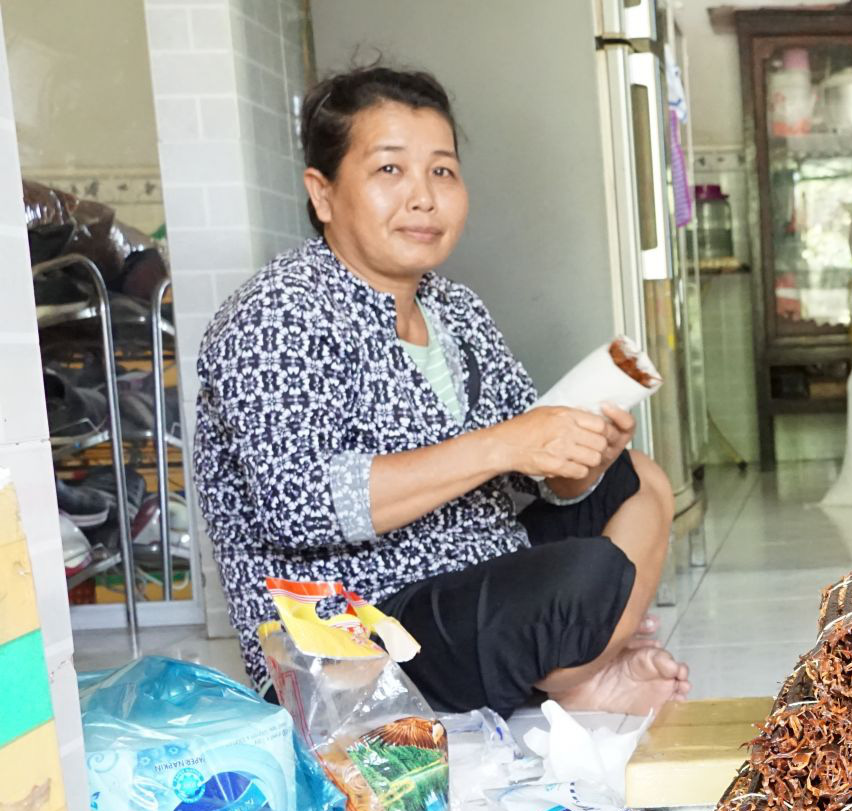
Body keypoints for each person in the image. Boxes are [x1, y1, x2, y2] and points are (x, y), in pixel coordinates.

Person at [194, 65, 688, 718]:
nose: (423, 197)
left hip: (470, 571)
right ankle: (578, 677)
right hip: (359, 631)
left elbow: (524, 479)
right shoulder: (278, 313)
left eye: (443, 171)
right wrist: (506, 444)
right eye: (389, 171)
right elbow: (300, 506)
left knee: (638, 479)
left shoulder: (456, 308)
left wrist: (578, 462)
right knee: (588, 579)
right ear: (323, 194)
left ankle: (576, 666)